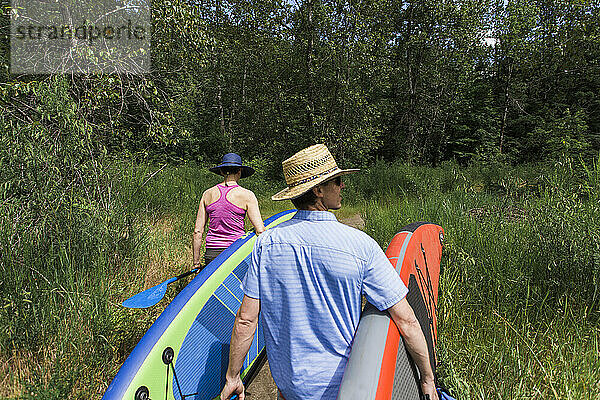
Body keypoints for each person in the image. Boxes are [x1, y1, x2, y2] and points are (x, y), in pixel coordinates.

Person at [219, 144, 439, 400]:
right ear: (318, 190)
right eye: (337, 180)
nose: (343, 186)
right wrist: (427, 377)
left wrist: (233, 377)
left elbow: (246, 320)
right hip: (343, 388)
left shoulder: (266, 245)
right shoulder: (360, 245)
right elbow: (406, 320)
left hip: (289, 388)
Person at [193, 153, 265, 268]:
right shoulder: (247, 195)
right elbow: (260, 231)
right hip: (236, 252)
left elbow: (198, 231)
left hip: (212, 253)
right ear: (239, 171)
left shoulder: (207, 194)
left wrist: (196, 262)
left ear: (221, 172)